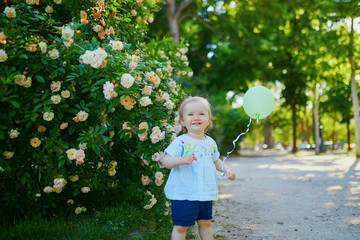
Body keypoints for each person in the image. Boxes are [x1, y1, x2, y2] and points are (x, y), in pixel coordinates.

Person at [162, 96, 236, 240]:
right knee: (181, 226)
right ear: (183, 121)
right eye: (190, 114)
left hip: (204, 192)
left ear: (208, 119)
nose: (196, 117)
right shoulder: (181, 142)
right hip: (184, 193)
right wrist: (181, 160)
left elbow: (216, 161)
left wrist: (227, 170)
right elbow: (166, 161)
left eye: (201, 114)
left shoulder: (210, 143)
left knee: (206, 223)